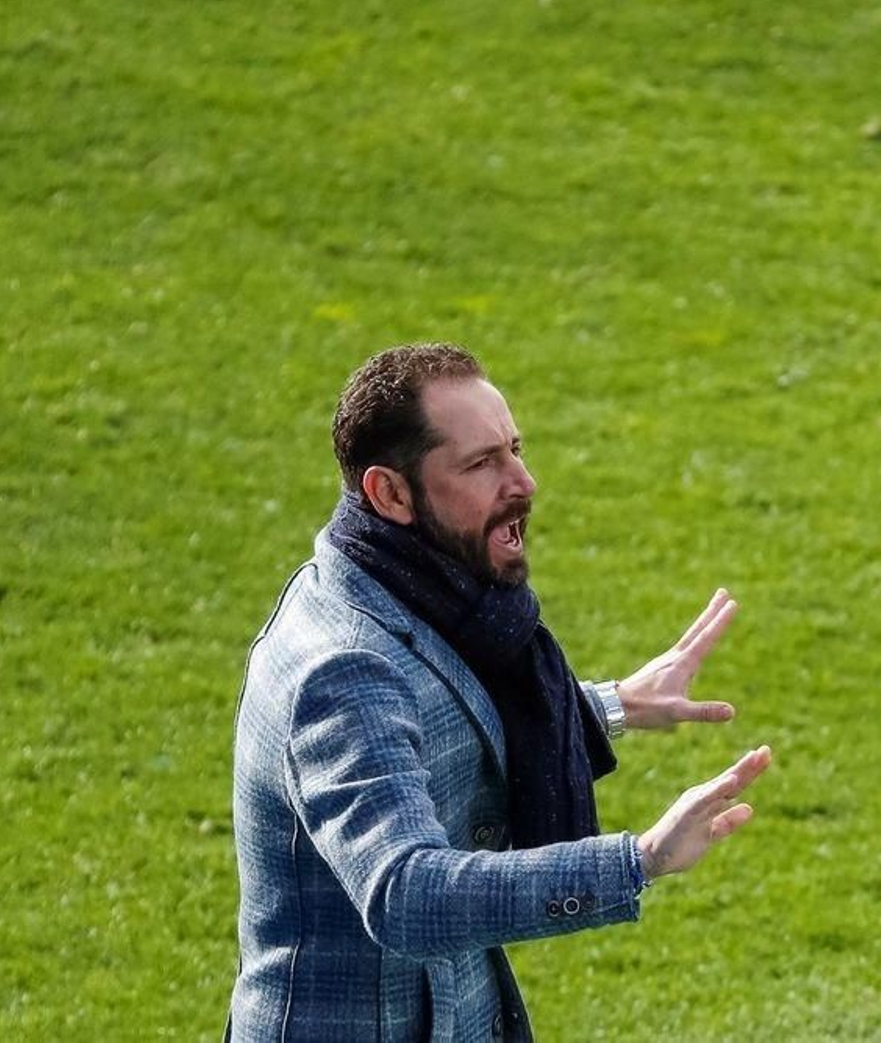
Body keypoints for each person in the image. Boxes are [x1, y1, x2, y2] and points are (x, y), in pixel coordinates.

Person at [227, 343, 770, 1041]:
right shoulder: (342, 666)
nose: (524, 481)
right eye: (482, 464)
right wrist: (641, 858)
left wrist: (614, 704)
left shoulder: (410, 583)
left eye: (514, 449)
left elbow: (441, 725)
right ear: (389, 493)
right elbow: (406, 894)